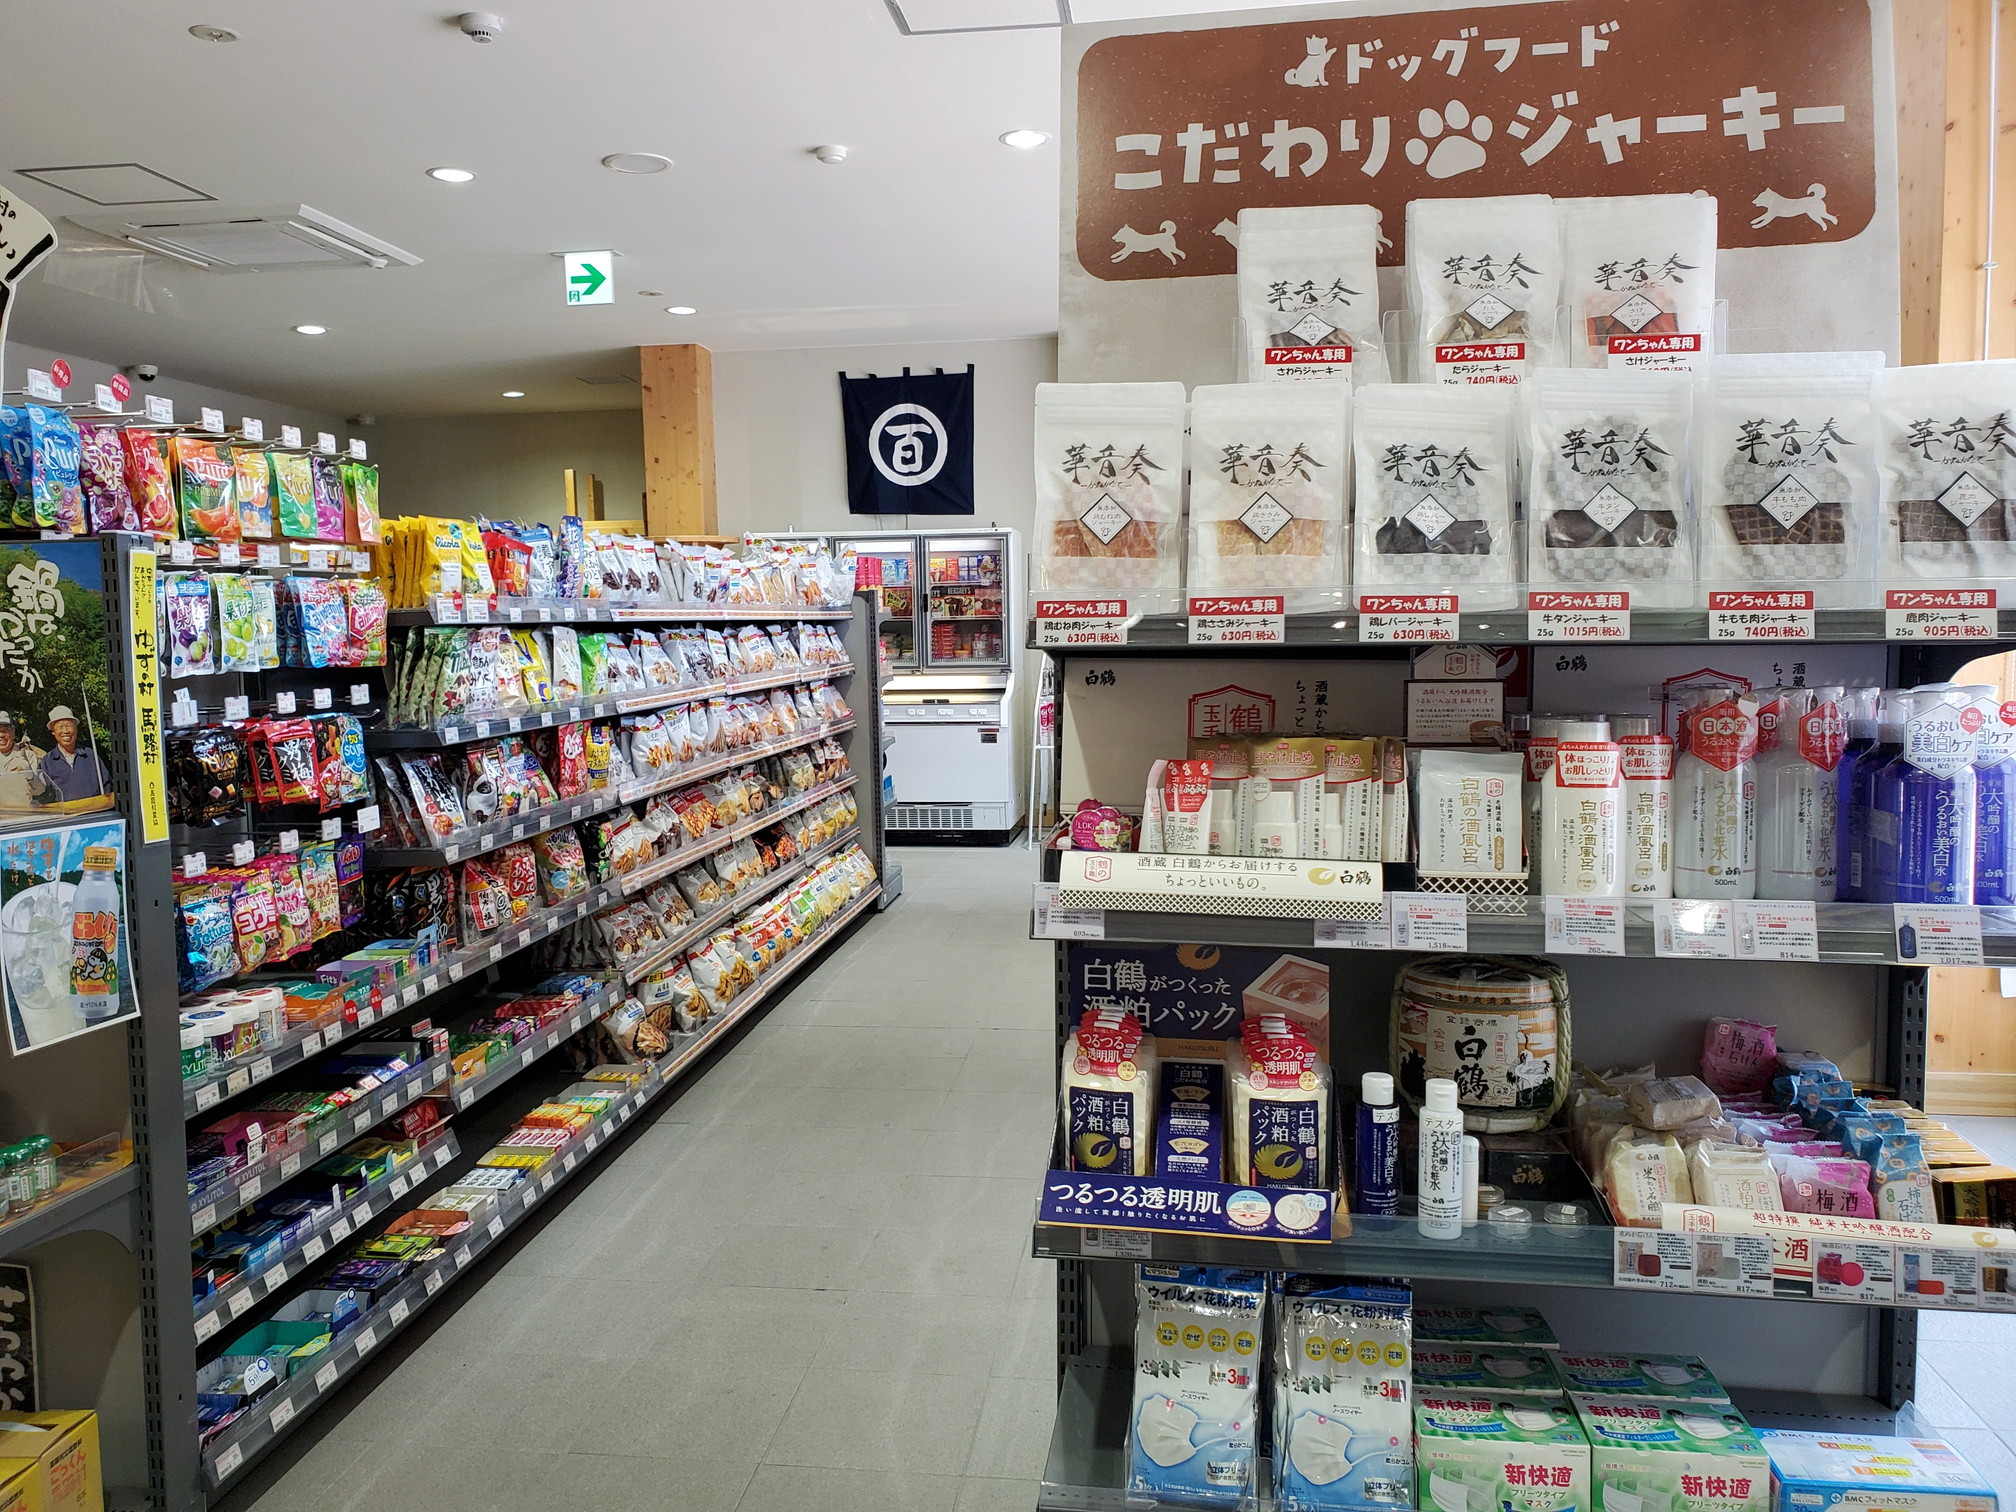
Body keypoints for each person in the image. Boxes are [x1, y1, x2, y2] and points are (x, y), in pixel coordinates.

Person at [39, 707, 106, 805]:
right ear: (53, 732)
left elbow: (107, 786)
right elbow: (43, 796)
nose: (65, 731)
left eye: (69, 726)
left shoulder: (90, 755)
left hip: (93, 816)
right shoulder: (47, 762)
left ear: (76, 729)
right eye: (60, 727)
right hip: (65, 818)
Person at [0, 714, 48, 810]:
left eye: (5, 731)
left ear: (13, 732)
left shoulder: (28, 755)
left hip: (24, 816)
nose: (1, 735)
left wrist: (29, 774)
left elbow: (40, 790)